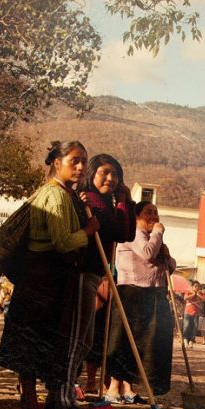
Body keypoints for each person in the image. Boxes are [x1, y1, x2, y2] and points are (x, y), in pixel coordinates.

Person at [0, 141, 100, 409]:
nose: (80, 167)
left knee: (41, 337)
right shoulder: (54, 196)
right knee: (33, 337)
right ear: (57, 162)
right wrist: (89, 230)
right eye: (74, 161)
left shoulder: (65, 195)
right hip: (43, 277)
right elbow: (63, 242)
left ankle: (31, 400)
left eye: (83, 162)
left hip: (48, 278)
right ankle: (29, 402)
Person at [104, 200, 176, 402]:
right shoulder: (133, 233)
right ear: (137, 216)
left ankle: (128, 388)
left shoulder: (154, 238)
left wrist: (167, 256)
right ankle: (114, 387)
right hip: (133, 294)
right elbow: (146, 254)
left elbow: (168, 267)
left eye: (156, 212)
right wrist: (158, 233)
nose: (153, 216)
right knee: (125, 341)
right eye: (148, 212)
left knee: (145, 345)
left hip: (153, 295)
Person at [78, 154, 135, 395]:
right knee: (81, 333)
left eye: (116, 175)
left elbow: (129, 233)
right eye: (105, 173)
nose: (111, 179)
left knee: (88, 334)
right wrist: (122, 201)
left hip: (96, 273)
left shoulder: (106, 201)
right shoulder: (92, 200)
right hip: (83, 272)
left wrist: (126, 200)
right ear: (91, 174)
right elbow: (120, 231)